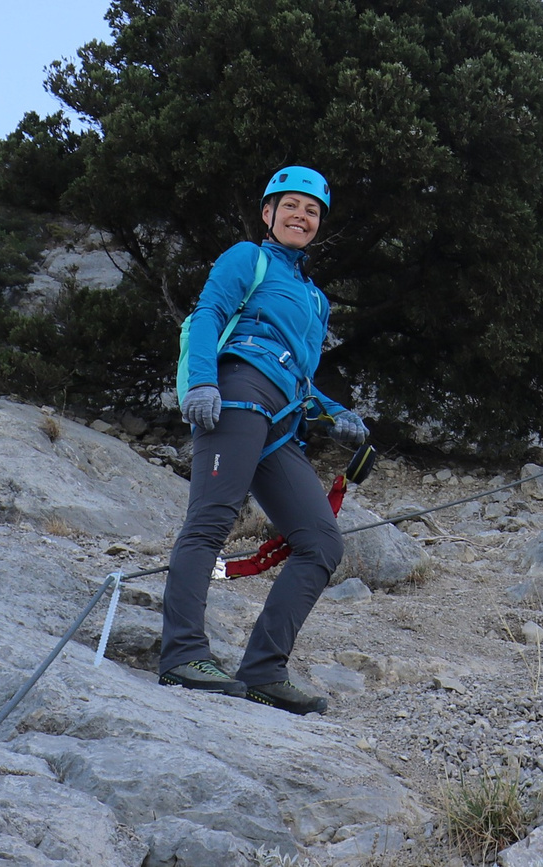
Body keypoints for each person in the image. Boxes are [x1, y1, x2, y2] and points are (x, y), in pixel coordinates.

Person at [157, 164, 367, 712]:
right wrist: (201, 380)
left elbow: (300, 373)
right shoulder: (247, 258)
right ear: (268, 214)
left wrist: (337, 412)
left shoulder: (316, 298)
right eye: (291, 205)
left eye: (313, 210)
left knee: (321, 543)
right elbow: (208, 314)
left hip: (282, 423)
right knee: (211, 520)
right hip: (238, 395)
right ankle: (182, 655)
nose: (302, 216)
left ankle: (264, 670)